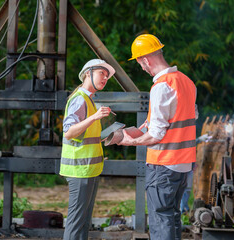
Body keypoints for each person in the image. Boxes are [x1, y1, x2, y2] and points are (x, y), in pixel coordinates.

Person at [118, 34, 197, 240]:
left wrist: (131, 140)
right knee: (171, 217)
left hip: (163, 164)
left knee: (160, 219)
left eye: (139, 62)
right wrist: (146, 126)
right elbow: (189, 115)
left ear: (145, 59)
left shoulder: (161, 86)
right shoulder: (187, 82)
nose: (142, 67)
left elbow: (157, 135)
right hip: (183, 164)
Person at [60, 59, 115, 240]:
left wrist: (108, 134)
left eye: (107, 76)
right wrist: (95, 117)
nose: (105, 78)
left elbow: (85, 135)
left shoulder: (89, 101)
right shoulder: (79, 100)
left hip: (88, 170)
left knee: (83, 222)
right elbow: (68, 132)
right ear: (87, 73)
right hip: (79, 170)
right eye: (102, 73)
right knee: (76, 223)